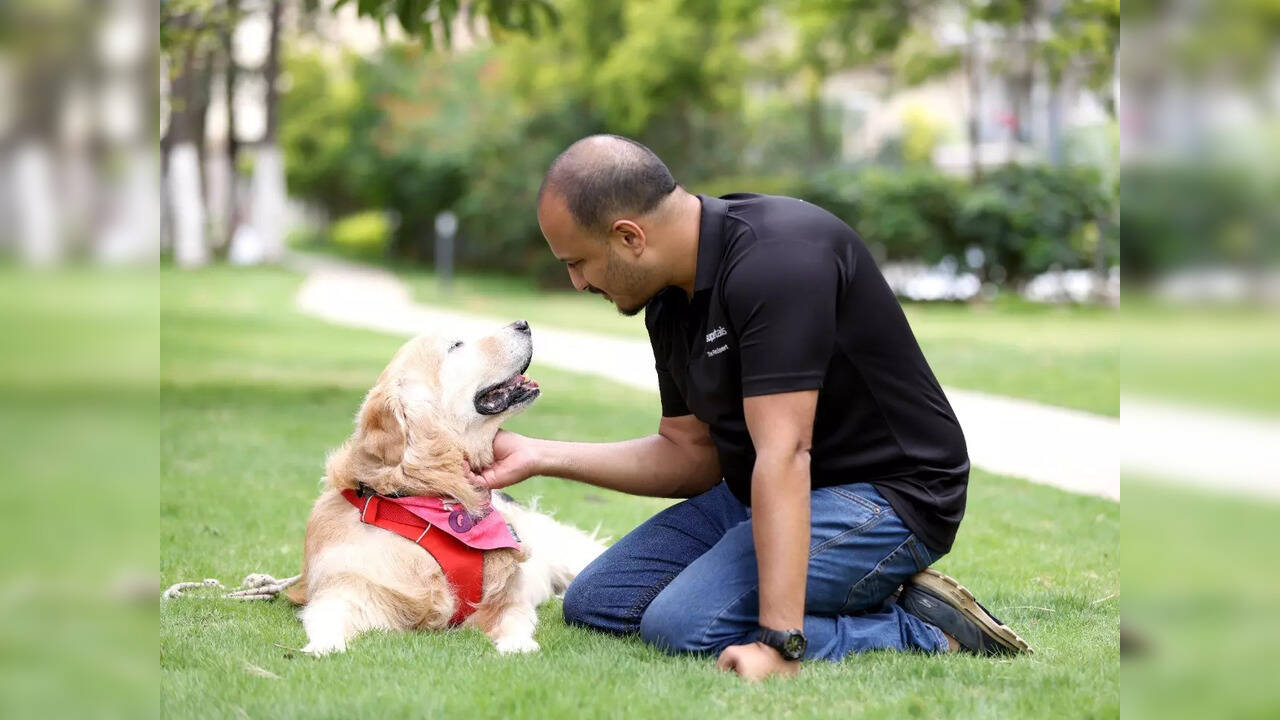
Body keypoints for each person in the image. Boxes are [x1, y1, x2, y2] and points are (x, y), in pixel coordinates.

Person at [466, 135, 1029, 681]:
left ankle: (922, 627)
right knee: (599, 601)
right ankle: (850, 588)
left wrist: (778, 642)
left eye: (579, 262)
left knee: (684, 624)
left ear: (630, 236)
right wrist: (538, 454)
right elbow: (689, 455)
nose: (576, 281)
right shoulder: (667, 301)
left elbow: (784, 453)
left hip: (887, 496)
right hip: (756, 491)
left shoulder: (776, 261)